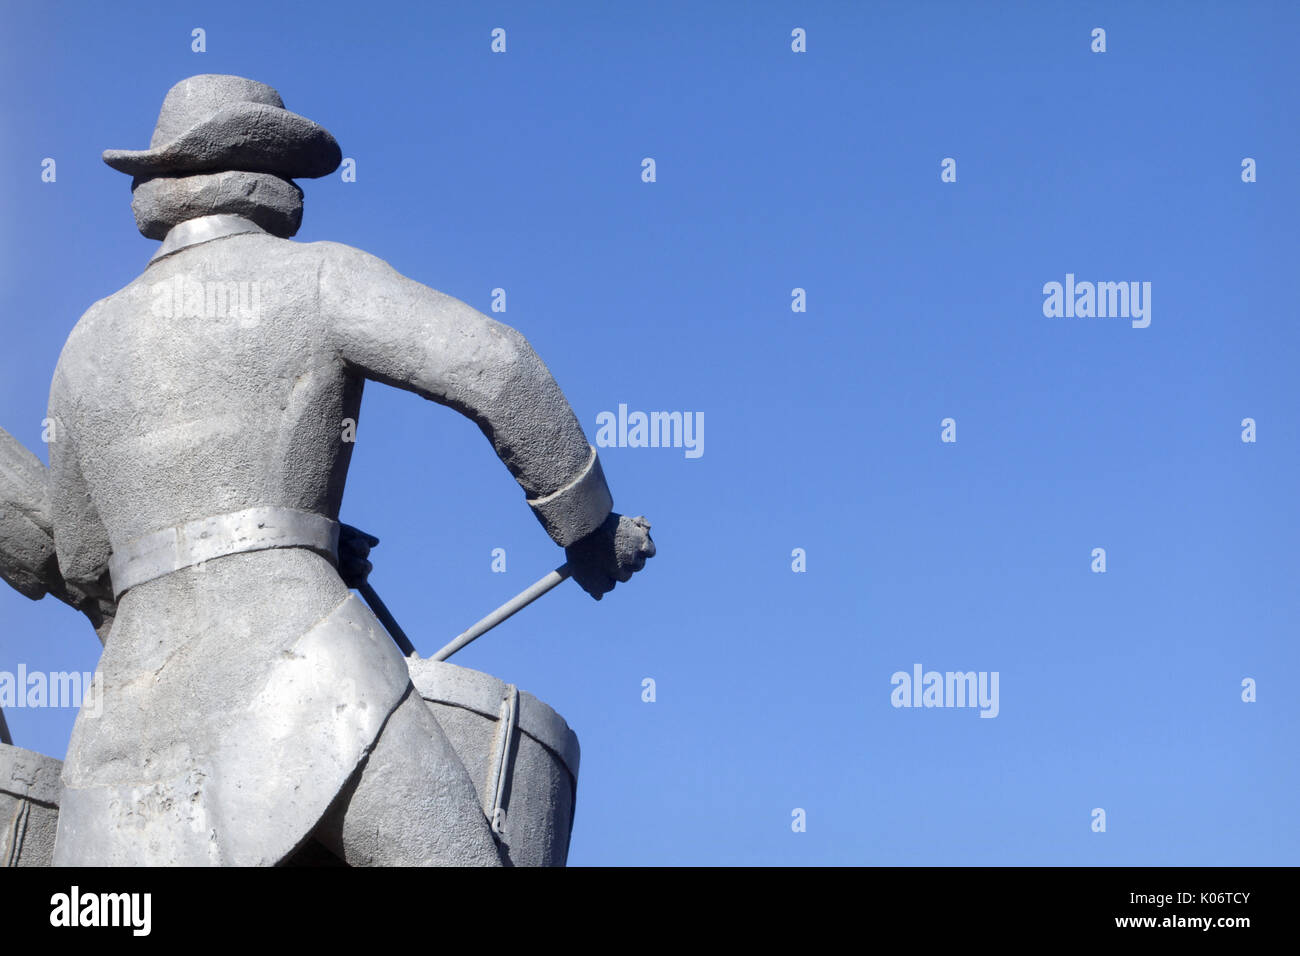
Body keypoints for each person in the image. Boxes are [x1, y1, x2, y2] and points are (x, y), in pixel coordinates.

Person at [47, 74, 654, 866]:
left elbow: (85, 560)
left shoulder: (85, 342)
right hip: (304, 676)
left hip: (129, 729)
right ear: (262, 177)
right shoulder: (318, 277)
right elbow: (496, 367)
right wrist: (589, 525)